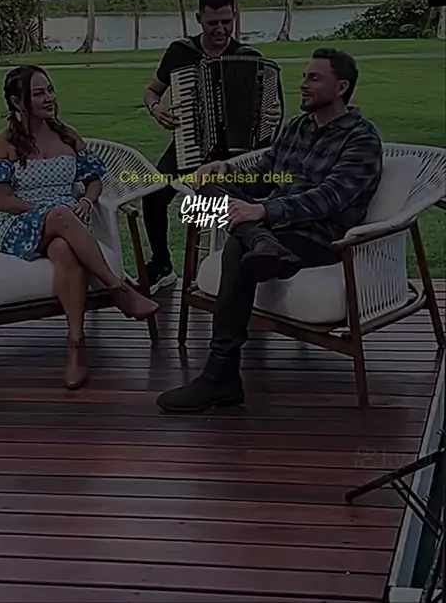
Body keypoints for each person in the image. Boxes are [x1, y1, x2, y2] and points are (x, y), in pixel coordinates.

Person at [156, 47, 383, 414]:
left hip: (318, 237)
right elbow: (264, 175)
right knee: (208, 190)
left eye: (314, 78)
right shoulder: (297, 127)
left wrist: (262, 211)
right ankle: (262, 242)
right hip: (274, 230)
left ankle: (220, 376)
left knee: (237, 246)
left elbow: (330, 199)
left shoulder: (361, 139)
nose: (303, 84)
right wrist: (226, 170)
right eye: (304, 76)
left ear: (341, 87)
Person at [0, 65, 159, 391]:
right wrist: (48, 211)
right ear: (17, 102)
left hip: (67, 222)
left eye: (49, 90)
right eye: (38, 93)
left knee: (64, 250)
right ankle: (119, 289)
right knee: (60, 214)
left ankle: (76, 346)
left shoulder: (67, 135)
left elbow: (93, 180)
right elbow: (3, 201)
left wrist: (87, 201)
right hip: (18, 223)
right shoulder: (1, 143)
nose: (49, 98)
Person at [142, 0, 283, 293]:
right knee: (153, 195)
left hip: (236, 156)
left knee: (235, 199)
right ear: (199, 19)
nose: (220, 29)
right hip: (189, 145)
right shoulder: (180, 52)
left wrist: (271, 117)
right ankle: (162, 265)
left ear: (235, 16)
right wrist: (156, 108)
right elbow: (152, 90)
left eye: (227, 22)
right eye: (212, 23)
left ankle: (235, 266)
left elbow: (271, 118)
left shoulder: (249, 58)